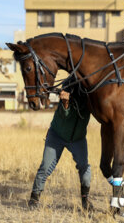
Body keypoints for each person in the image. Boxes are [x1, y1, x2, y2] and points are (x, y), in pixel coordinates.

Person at [28, 79, 92, 212]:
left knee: (84, 167)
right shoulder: (68, 84)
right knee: (45, 167)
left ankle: (85, 200)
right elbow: (64, 115)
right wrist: (65, 102)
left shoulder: (92, 93)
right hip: (56, 135)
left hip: (78, 139)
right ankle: (34, 198)